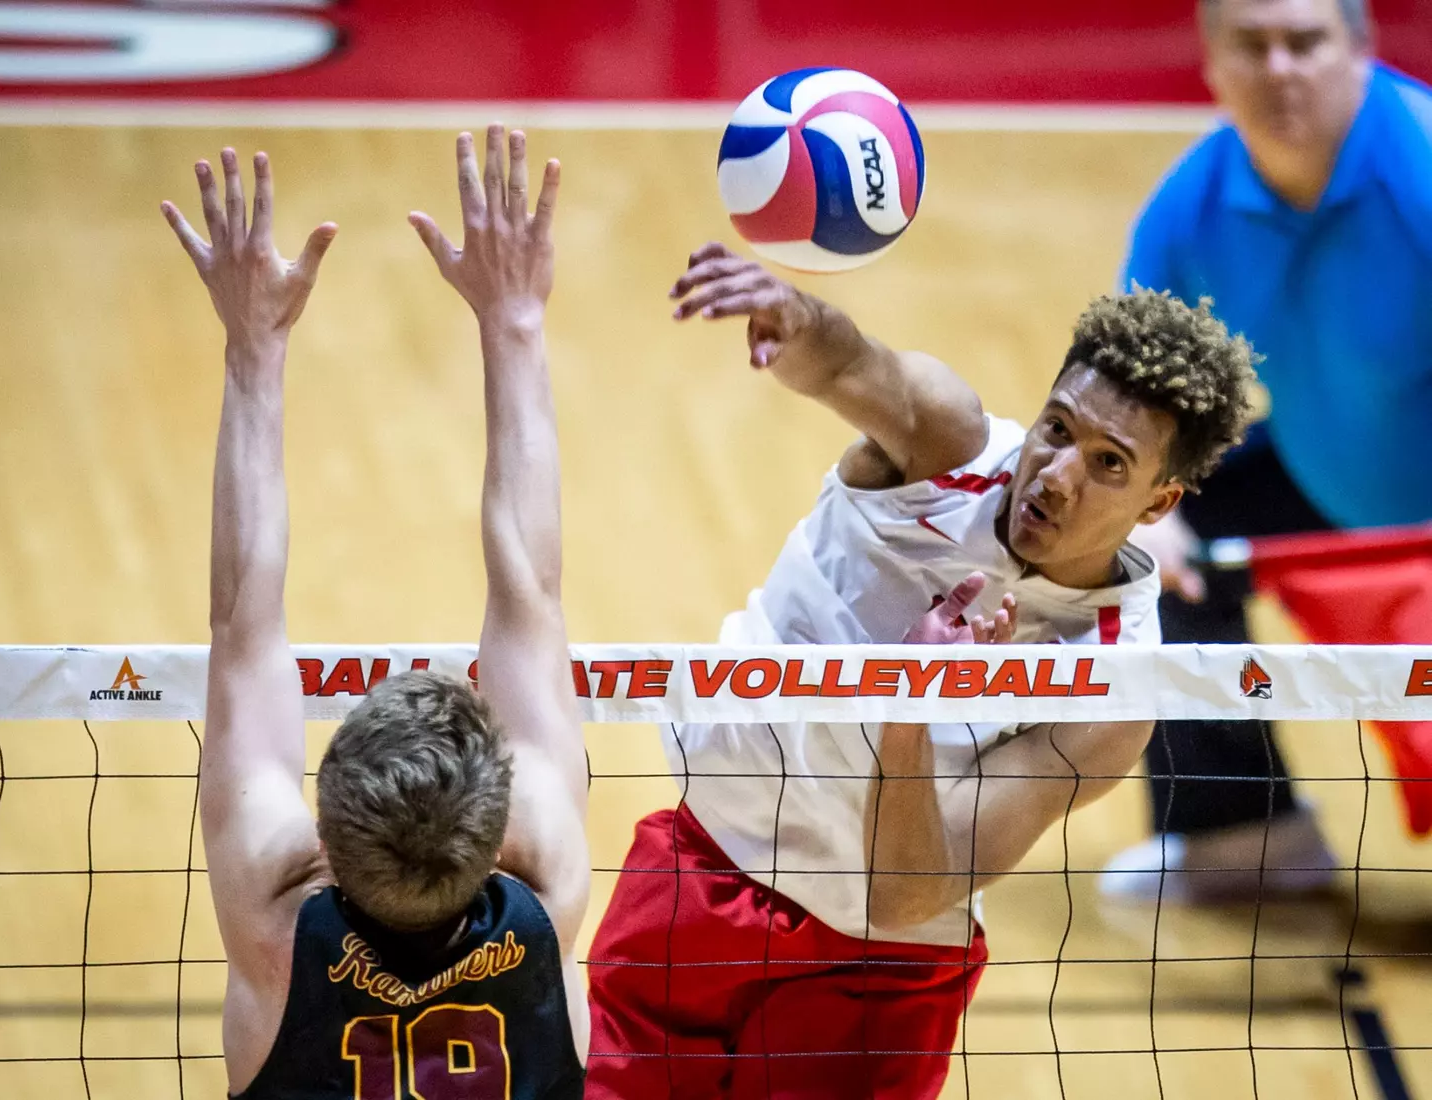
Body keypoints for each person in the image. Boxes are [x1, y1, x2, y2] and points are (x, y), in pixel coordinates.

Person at [584, 242, 1258, 1099]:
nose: (1056, 476)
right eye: (1057, 429)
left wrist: (910, 700)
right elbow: (846, 360)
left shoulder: (1115, 687)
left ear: (1157, 503)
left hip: (877, 969)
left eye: (1107, 464)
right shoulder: (942, 446)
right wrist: (793, 316)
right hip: (705, 869)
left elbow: (908, 897)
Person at [161, 126, 589, 1099]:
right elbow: (532, 592)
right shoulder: (546, 892)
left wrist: (253, 348)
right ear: (497, 826)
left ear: (323, 828)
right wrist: (515, 319)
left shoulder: (276, 926)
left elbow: (241, 630)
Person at [1106, 0, 1432, 901]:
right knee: (1139, 542)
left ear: (1359, 50)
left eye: (1304, 42)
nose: (1279, 68)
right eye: (1251, 46)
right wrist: (1139, 508)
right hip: (1330, 476)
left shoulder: (1420, 174)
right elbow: (1124, 396)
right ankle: (1244, 838)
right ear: (1211, 64)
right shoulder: (1190, 207)